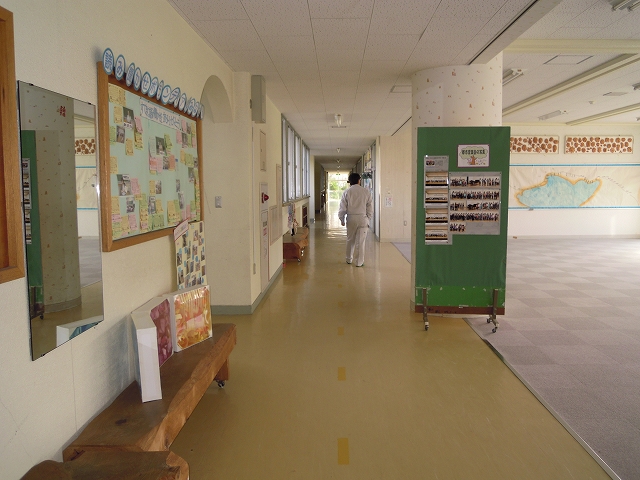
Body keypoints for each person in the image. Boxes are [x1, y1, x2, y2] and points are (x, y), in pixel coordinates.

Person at [338, 172, 372, 267]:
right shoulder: (366, 192)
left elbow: (342, 207)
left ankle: (349, 259)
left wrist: (342, 219)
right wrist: (368, 218)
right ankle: (359, 262)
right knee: (361, 242)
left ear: (350, 181)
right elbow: (369, 207)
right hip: (362, 218)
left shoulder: (347, 192)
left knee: (350, 240)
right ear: (359, 180)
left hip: (351, 218)